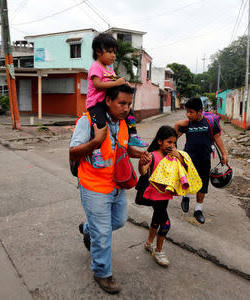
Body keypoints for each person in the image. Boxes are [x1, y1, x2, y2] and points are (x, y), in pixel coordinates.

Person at [70, 84, 151, 294]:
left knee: (118, 221)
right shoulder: (87, 121)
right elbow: (73, 152)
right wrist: (96, 141)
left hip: (116, 186)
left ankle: (88, 229)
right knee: (103, 234)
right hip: (94, 187)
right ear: (108, 101)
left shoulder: (123, 123)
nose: (126, 108)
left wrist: (139, 154)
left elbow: (121, 148)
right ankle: (102, 272)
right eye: (121, 103)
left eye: (129, 104)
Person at [87, 33, 148, 169]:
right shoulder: (95, 67)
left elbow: (116, 85)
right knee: (100, 127)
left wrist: (123, 83)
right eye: (109, 52)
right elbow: (98, 85)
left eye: (114, 52)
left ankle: (133, 135)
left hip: (105, 102)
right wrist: (116, 83)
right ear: (98, 52)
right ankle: (96, 152)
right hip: (95, 104)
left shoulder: (109, 69)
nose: (113, 55)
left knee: (129, 112)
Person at [174, 97, 228, 224]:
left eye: (191, 112)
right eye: (186, 112)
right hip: (188, 158)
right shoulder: (187, 124)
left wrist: (224, 154)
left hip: (204, 158)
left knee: (202, 185)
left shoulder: (210, 123)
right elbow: (174, 137)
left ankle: (198, 210)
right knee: (187, 180)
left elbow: (217, 138)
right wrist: (177, 125)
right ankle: (185, 198)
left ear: (200, 111)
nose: (188, 115)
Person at [139, 126, 185, 267]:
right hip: (155, 195)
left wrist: (178, 156)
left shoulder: (171, 157)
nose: (172, 146)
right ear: (160, 141)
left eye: (174, 143)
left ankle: (148, 243)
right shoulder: (153, 156)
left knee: (156, 220)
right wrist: (142, 165)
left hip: (165, 195)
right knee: (165, 223)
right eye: (169, 142)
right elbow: (143, 172)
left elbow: (183, 168)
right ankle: (158, 251)